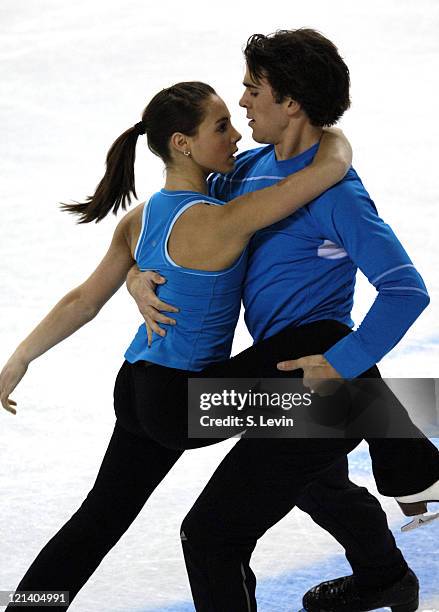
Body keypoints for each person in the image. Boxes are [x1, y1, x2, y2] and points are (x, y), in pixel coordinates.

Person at [0, 81, 361, 610]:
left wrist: (19, 358)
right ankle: (414, 453)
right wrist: (334, 132)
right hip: (188, 403)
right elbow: (327, 171)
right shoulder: (222, 219)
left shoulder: (141, 217)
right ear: (182, 143)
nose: (236, 134)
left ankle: (27, 608)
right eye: (220, 127)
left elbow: (82, 300)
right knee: (327, 351)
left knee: (99, 518)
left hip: (137, 388)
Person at [126, 30, 439, 611]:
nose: (241, 103)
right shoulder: (246, 170)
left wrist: (340, 363)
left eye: (252, 89)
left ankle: (410, 458)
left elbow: (405, 290)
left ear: (290, 101)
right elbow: (175, 216)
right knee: (316, 481)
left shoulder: (338, 195)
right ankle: (385, 568)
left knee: (217, 529)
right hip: (273, 372)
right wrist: (135, 274)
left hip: (308, 377)